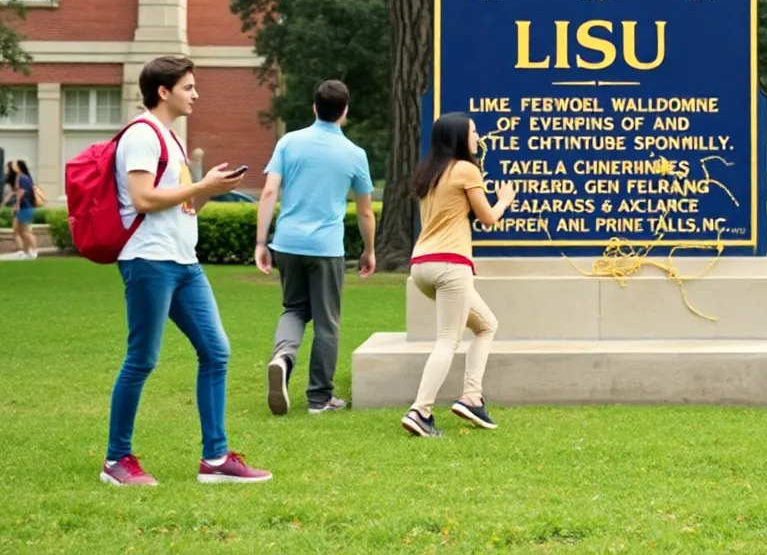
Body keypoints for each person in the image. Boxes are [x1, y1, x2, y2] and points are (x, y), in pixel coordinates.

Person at [101, 56, 272, 487]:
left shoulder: (171, 140)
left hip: (184, 264)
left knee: (216, 352)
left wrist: (210, 188)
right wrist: (201, 185)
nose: (196, 94)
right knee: (142, 359)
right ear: (164, 91)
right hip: (149, 261)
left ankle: (215, 459)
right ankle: (115, 460)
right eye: (189, 87)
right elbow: (142, 198)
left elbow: (183, 205)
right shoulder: (142, 135)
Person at [257, 80, 377, 416]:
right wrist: (369, 250)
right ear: (345, 111)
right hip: (326, 247)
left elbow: (268, 193)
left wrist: (261, 241)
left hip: (287, 244)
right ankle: (319, 399)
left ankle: (282, 357)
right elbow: (365, 210)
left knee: (294, 309)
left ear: (314, 107)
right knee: (327, 322)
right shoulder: (355, 154)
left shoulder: (288, 142)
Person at [401, 113, 515, 439]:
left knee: (486, 324)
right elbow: (488, 217)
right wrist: (504, 200)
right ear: (457, 138)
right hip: (451, 264)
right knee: (448, 340)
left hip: (422, 265)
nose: (478, 137)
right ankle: (420, 410)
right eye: (474, 132)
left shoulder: (429, 173)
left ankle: (471, 397)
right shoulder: (466, 169)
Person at [12, 159, 39, 259]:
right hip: (27, 207)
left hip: (24, 207)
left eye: (15, 165)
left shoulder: (23, 177)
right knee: (20, 231)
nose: (13, 167)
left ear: (19, 166)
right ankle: (27, 252)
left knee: (25, 231)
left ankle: (34, 251)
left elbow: (22, 191)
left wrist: (17, 204)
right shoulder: (25, 177)